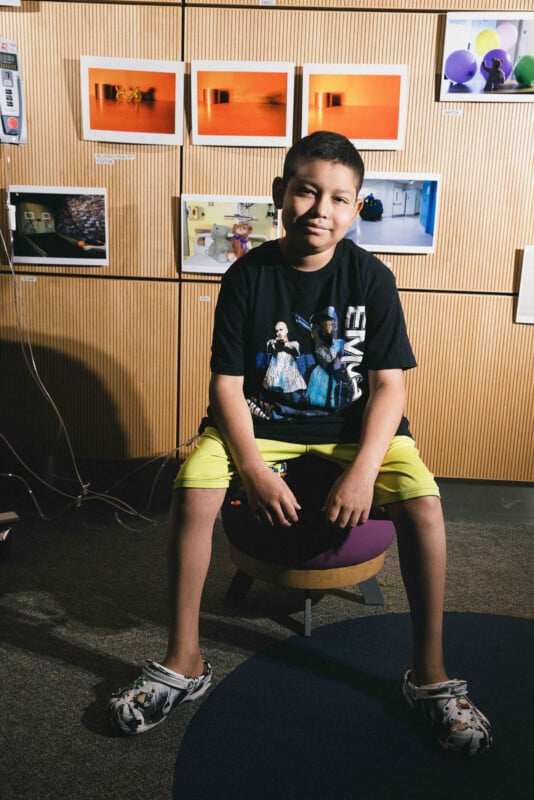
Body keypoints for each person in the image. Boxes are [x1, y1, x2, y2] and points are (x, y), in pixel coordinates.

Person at [109, 131, 492, 756]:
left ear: (357, 205)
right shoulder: (247, 275)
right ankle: (185, 661)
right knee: (195, 487)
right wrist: (254, 469)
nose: (322, 209)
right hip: (261, 423)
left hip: (354, 430)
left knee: (424, 502)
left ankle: (429, 675)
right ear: (279, 193)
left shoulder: (372, 277)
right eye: (308, 191)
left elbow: (390, 387)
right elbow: (227, 386)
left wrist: (365, 469)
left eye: (340, 198)